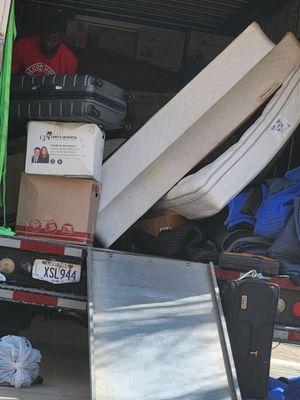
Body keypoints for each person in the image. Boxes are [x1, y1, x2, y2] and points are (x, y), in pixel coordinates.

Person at [12, 11, 77, 76]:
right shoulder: (22, 47)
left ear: (61, 39)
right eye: (45, 39)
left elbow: (67, 85)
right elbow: (8, 75)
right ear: (41, 34)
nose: (47, 44)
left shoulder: (70, 60)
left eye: (53, 42)